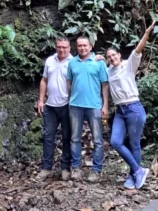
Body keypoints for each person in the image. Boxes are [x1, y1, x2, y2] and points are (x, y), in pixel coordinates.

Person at [106, 22, 155, 190]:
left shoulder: (129, 64)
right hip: (120, 111)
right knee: (115, 141)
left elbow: (138, 49)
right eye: (109, 57)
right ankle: (138, 170)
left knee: (134, 144)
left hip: (134, 108)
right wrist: (96, 58)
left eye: (114, 55)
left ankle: (134, 175)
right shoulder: (108, 71)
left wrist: (147, 34)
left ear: (119, 55)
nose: (112, 58)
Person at [66, 36, 109, 183]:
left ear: (90, 47)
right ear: (76, 47)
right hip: (75, 105)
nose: (82, 48)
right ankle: (76, 168)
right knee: (75, 139)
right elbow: (69, 82)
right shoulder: (72, 63)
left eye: (85, 45)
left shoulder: (98, 62)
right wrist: (71, 98)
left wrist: (105, 105)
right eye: (79, 46)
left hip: (94, 105)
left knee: (97, 139)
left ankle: (96, 171)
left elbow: (105, 85)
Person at [35, 36, 73, 182]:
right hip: (50, 106)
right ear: (56, 46)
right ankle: (46, 168)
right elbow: (44, 80)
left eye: (64, 47)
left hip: (67, 106)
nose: (61, 49)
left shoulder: (73, 62)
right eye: (59, 47)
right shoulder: (50, 60)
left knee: (67, 138)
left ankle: (65, 168)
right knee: (48, 137)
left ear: (69, 48)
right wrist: (41, 100)